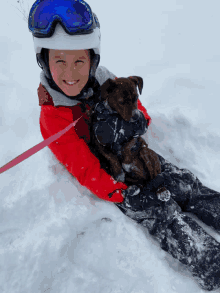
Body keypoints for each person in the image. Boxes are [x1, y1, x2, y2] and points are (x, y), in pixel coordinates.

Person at [29, 0, 220, 291]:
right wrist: (114, 191)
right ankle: (208, 260)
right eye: (60, 61)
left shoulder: (106, 79)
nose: (70, 72)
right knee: (160, 212)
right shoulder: (53, 114)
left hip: (137, 152)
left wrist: (132, 122)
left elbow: (141, 112)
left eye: (79, 61)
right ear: (44, 61)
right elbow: (80, 164)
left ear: (92, 60)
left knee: (183, 183)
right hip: (115, 174)